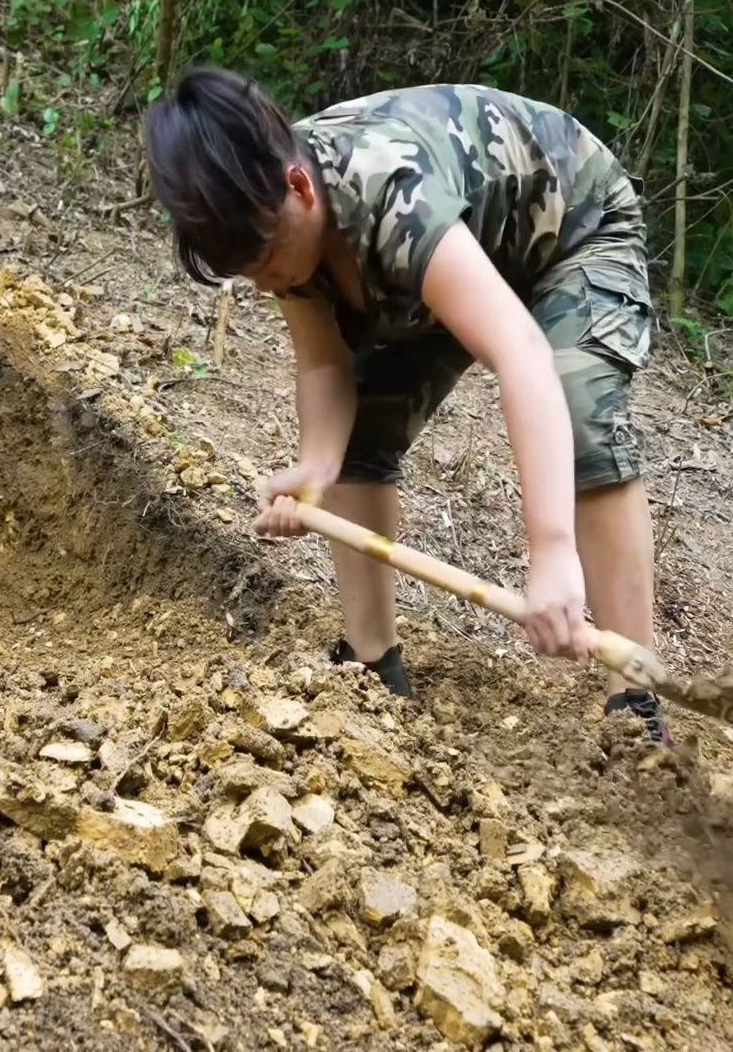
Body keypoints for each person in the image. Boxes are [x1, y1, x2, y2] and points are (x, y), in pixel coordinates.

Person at [142, 67, 671, 743]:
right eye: (248, 271)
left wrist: (551, 552)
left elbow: (523, 354)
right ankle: (373, 666)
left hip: (571, 229)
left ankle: (636, 697)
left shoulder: (390, 197)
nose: (265, 279)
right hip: (458, 252)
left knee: (579, 416)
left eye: (267, 259)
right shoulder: (261, 210)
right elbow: (326, 363)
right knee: (361, 431)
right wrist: (317, 465)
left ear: (299, 188)